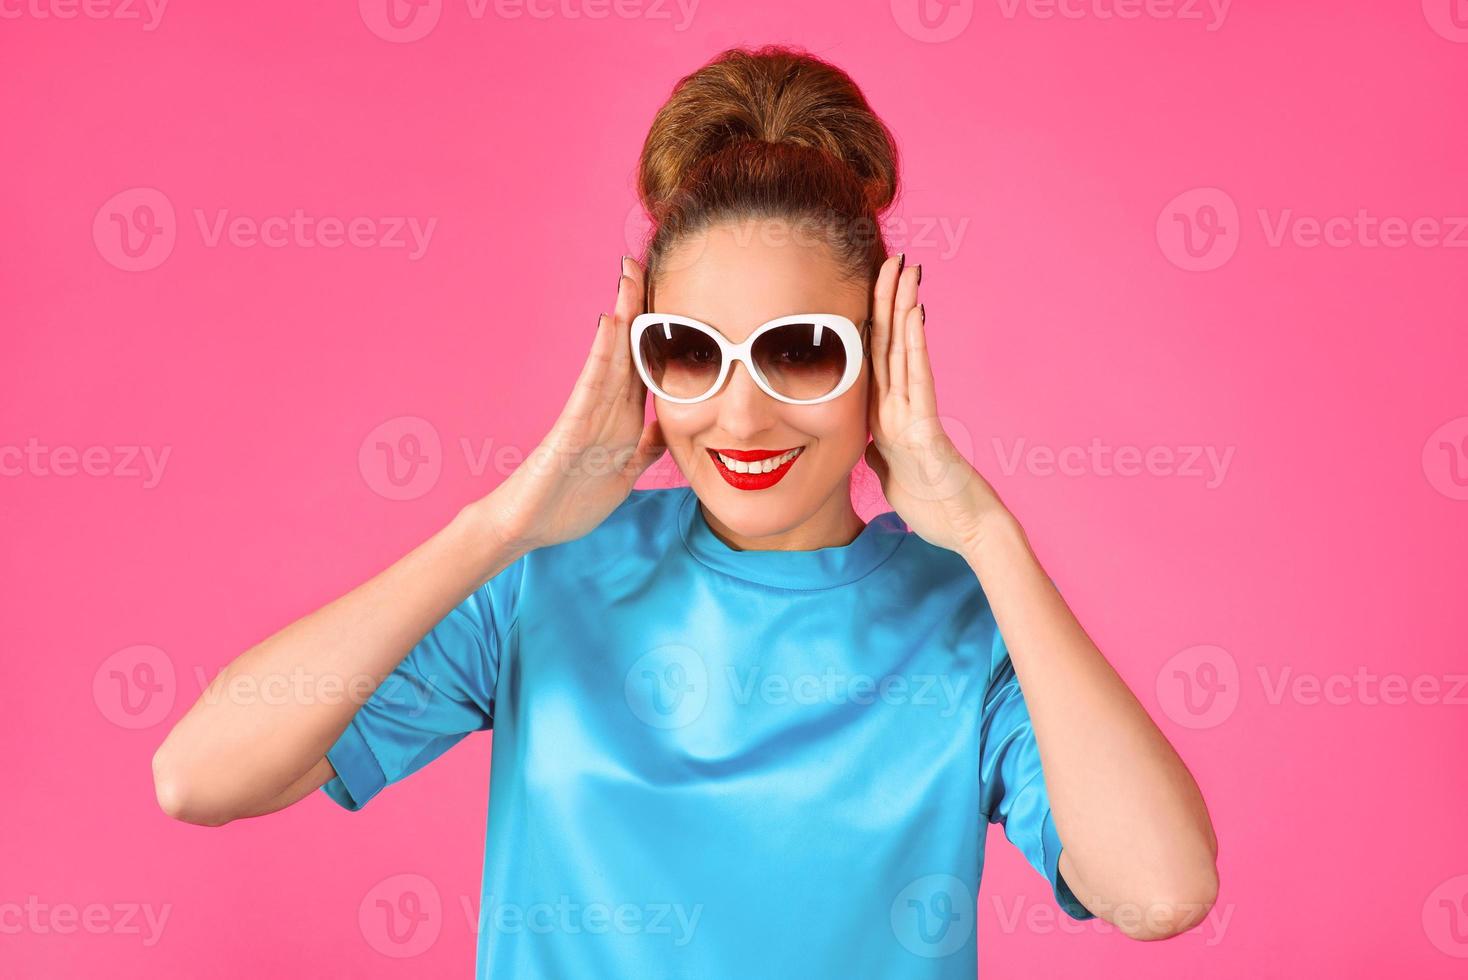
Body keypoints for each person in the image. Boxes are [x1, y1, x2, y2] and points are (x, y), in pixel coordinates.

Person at [151, 43, 1218, 978]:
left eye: (804, 351)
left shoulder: (968, 629)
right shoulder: (543, 581)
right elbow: (197, 775)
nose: (740, 412)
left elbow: (1159, 890)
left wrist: (988, 536)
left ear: (885, 367)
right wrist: (503, 525)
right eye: (691, 352)